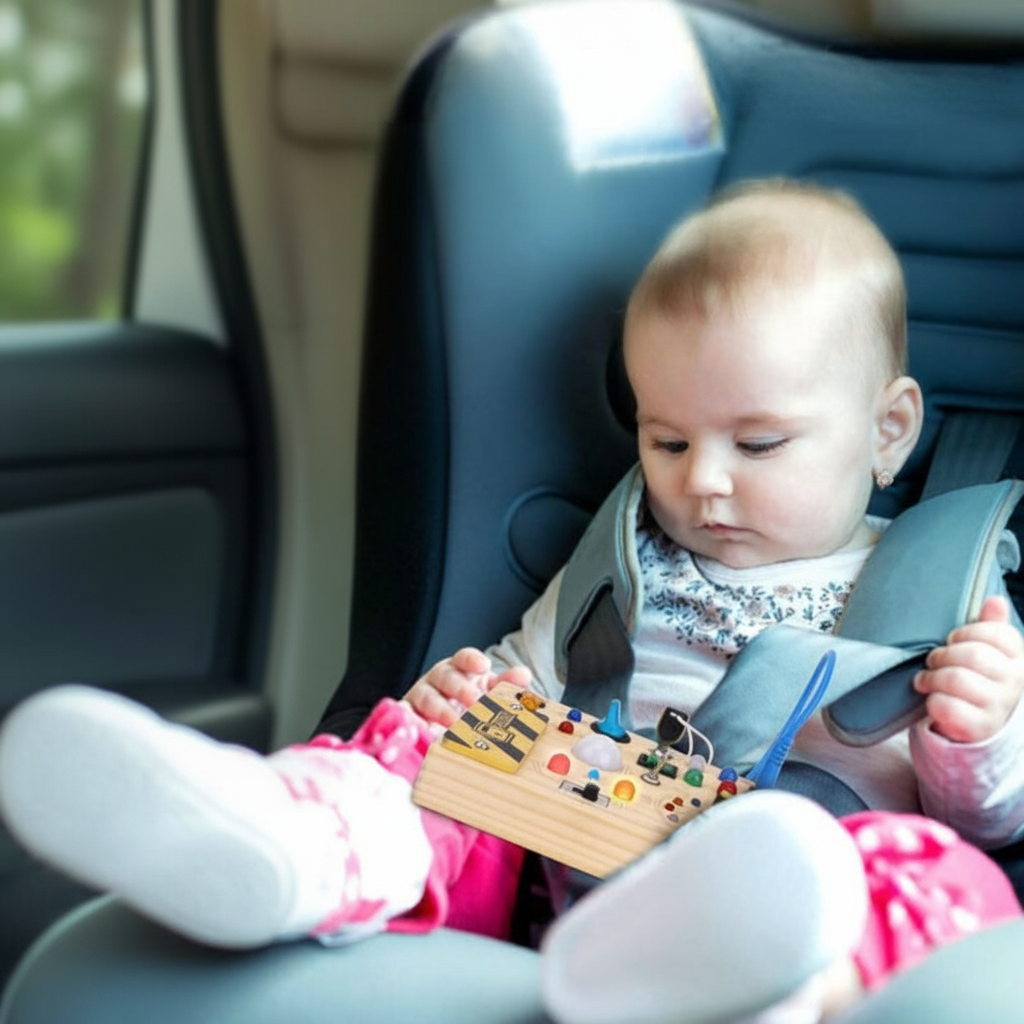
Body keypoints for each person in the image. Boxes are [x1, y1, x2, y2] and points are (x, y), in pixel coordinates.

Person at [0, 180, 1022, 1024]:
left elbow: (990, 812)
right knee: (438, 748)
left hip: (808, 850)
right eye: (666, 441)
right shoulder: (627, 562)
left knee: (944, 878)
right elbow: (526, 688)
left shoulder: (944, 588)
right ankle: (305, 844)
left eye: (757, 445)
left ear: (888, 431)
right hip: (598, 821)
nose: (702, 481)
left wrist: (981, 734)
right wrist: (469, 694)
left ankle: (772, 986)